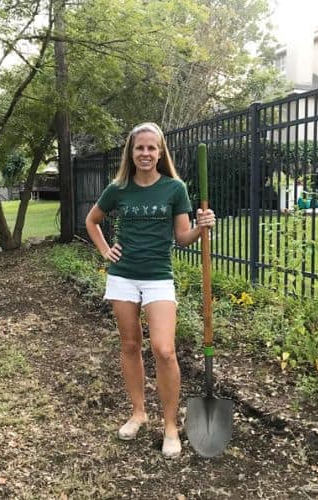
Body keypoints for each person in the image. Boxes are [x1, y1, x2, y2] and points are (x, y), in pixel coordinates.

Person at [85, 122, 215, 458]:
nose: (145, 153)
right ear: (131, 151)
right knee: (130, 345)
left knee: (164, 349)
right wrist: (104, 250)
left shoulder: (174, 189)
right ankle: (139, 413)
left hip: (158, 276)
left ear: (160, 152)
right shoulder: (118, 188)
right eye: (139, 148)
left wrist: (202, 228)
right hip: (123, 277)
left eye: (151, 148)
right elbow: (92, 220)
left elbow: (182, 238)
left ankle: (170, 426)